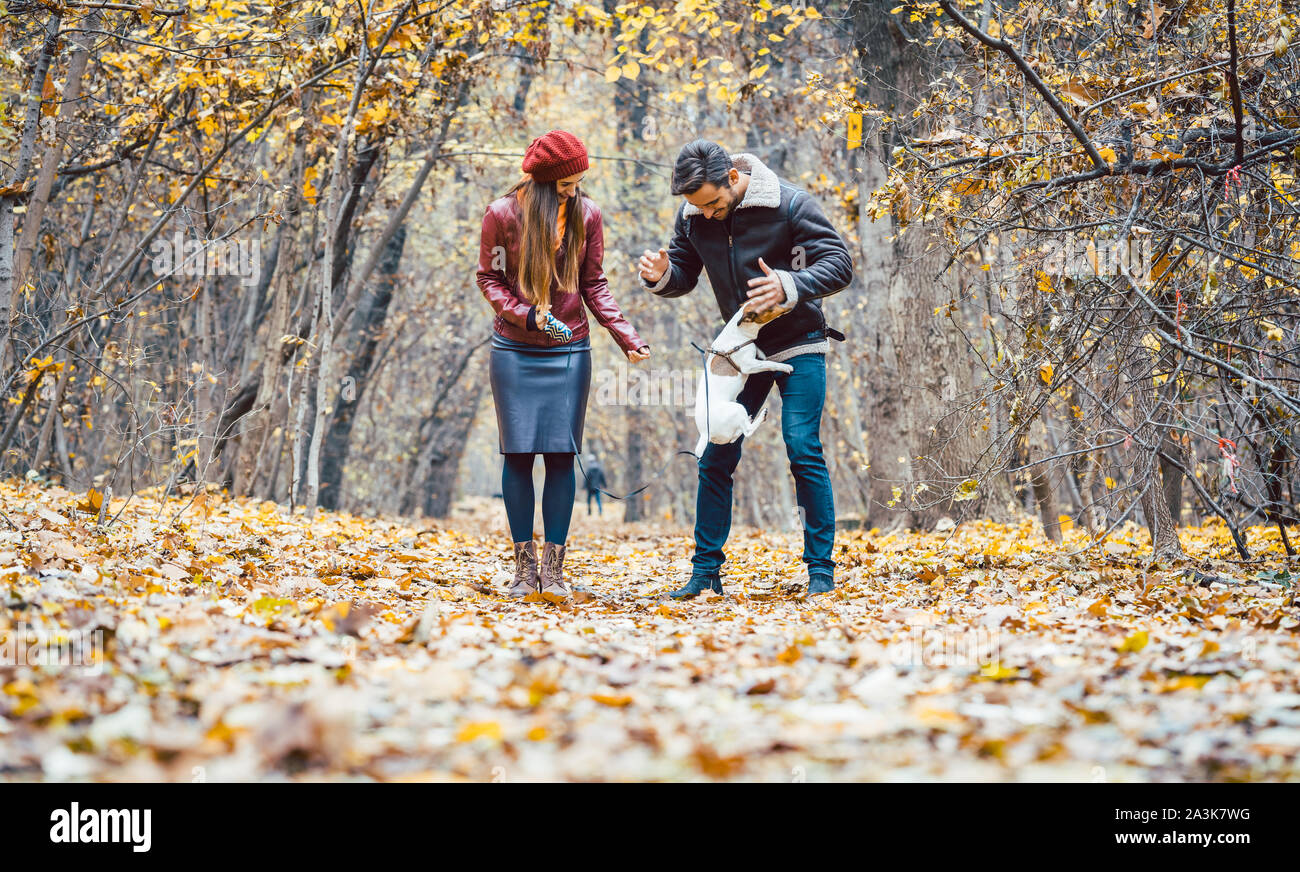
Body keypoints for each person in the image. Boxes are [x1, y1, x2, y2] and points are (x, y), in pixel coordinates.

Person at [638, 141, 852, 598]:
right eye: (697, 207)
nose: (707, 214)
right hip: (741, 350)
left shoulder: (790, 204)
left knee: (802, 447)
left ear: (733, 179)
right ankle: (705, 572)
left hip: (800, 343)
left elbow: (839, 264)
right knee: (715, 453)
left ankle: (820, 571)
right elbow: (684, 274)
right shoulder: (694, 216)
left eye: (713, 203)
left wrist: (789, 284)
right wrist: (661, 276)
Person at [478, 130, 651, 601]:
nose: (574, 190)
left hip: (570, 348)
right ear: (543, 181)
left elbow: (594, 283)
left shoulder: (588, 214)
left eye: (578, 181)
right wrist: (524, 312)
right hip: (513, 348)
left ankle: (553, 570)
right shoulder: (501, 214)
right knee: (517, 455)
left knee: (560, 455)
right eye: (565, 183)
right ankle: (522, 569)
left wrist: (626, 337)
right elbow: (488, 278)